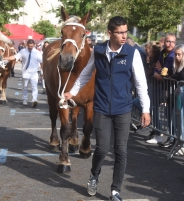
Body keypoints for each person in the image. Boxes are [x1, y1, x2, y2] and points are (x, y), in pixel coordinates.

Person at [63, 16, 151, 201]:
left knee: (121, 150)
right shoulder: (99, 50)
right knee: (102, 149)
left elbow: (141, 83)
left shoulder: (132, 53)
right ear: (110, 33)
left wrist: (145, 109)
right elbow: (86, 73)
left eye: (125, 32)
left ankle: (115, 190)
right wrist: (72, 92)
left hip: (123, 109)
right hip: (102, 108)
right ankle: (94, 175)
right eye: (119, 32)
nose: (123, 36)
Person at [4, 39, 43, 107]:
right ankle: (24, 99)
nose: (30, 47)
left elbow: (42, 62)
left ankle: (34, 100)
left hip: (34, 72)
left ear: (34, 45)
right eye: (29, 46)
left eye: (32, 46)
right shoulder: (23, 51)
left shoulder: (37, 53)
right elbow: (15, 57)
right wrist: (5, 58)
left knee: (34, 87)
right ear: (27, 45)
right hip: (25, 72)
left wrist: (43, 72)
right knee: (25, 87)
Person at [154, 33, 176, 147]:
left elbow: (164, 72)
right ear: (164, 42)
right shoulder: (163, 53)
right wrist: (156, 73)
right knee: (168, 114)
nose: (170, 44)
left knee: (172, 115)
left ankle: (180, 139)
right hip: (165, 87)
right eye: (168, 41)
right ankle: (171, 138)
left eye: (172, 42)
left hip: (172, 87)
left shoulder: (173, 55)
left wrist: (159, 72)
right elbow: (157, 68)